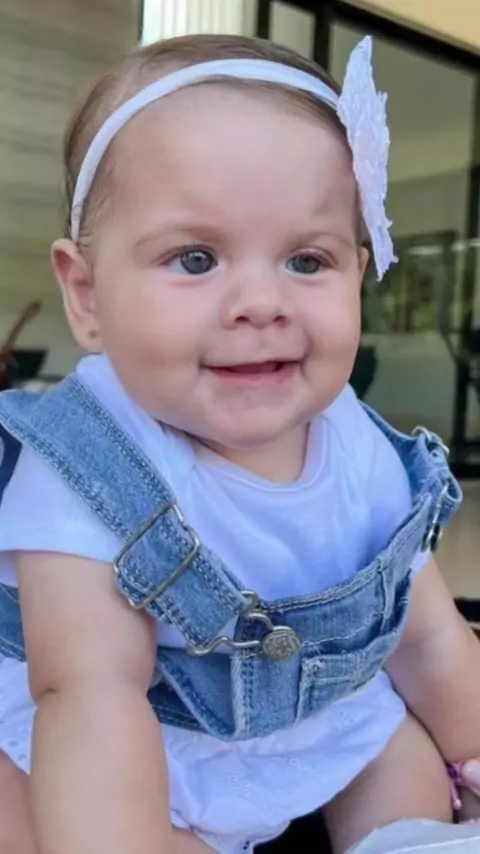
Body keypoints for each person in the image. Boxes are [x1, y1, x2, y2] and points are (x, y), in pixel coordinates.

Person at [0, 32, 479, 854]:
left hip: (317, 718)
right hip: (134, 739)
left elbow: (429, 637)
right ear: (87, 295)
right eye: (195, 259)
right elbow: (89, 693)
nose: (261, 302)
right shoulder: (86, 464)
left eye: (307, 260)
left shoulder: (359, 443)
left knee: (401, 753)